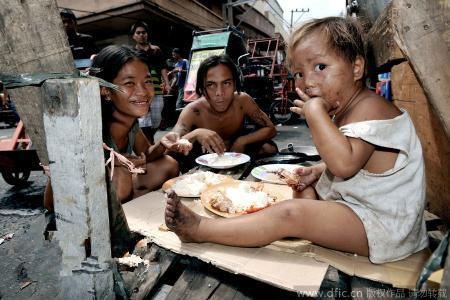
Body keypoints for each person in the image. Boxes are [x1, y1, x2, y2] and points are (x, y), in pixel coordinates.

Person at [165, 17, 428, 264]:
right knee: (300, 189)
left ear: (356, 68)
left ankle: (201, 229)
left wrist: (314, 113)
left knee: (290, 213)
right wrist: (317, 170)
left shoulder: (371, 108)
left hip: (383, 227)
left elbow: (346, 165)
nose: (308, 81)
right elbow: (364, 160)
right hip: (358, 207)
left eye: (320, 67)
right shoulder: (349, 109)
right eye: (300, 73)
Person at [44, 45, 185, 210]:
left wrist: (162, 144)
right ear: (105, 90)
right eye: (129, 83)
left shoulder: (130, 121)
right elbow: (49, 203)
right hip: (82, 210)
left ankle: (132, 208)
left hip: (114, 195)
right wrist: (115, 164)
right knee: (121, 178)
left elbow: (145, 155)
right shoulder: (89, 129)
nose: (143, 91)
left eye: (147, 81)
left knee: (168, 164)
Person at [165, 54, 278, 172]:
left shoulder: (242, 101)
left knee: (268, 148)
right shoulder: (193, 111)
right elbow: (169, 147)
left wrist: (242, 141)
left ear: (235, 84)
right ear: (202, 88)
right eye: (211, 85)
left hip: (239, 158)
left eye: (226, 83)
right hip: (204, 166)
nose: (219, 92)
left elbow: (271, 129)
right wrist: (195, 134)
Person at [130, 21, 169, 143]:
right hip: (141, 90)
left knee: (156, 119)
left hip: (156, 88)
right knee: (144, 118)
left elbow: (163, 67)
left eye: (143, 32)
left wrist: (167, 83)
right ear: (134, 36)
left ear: (147, 34)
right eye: (138, 33)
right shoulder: (132, 52)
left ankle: (150, 137)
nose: (141, 35)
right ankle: (149, 141)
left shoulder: (156, 50)